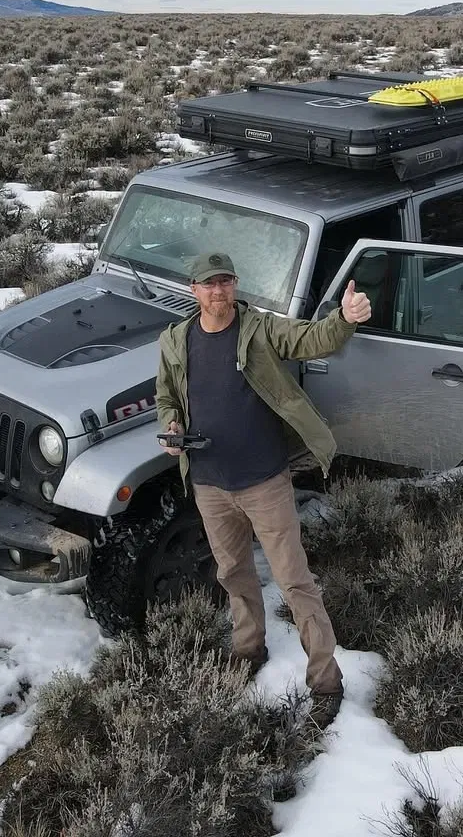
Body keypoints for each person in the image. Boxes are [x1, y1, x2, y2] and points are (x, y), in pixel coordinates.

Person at [154, 251, 371, 730]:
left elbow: (311, 340)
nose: (219, 291)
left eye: (226, 282)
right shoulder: (175, 340)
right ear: (194, 290)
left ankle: (326, 681)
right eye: (209, 284)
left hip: (264, 482)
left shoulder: (260, 328)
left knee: (294, 580)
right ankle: (248, 649)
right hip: (210, 483)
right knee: (233, 573)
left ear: (235, 286)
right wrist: (169, 422)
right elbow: (167, 394)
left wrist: (344, 320)